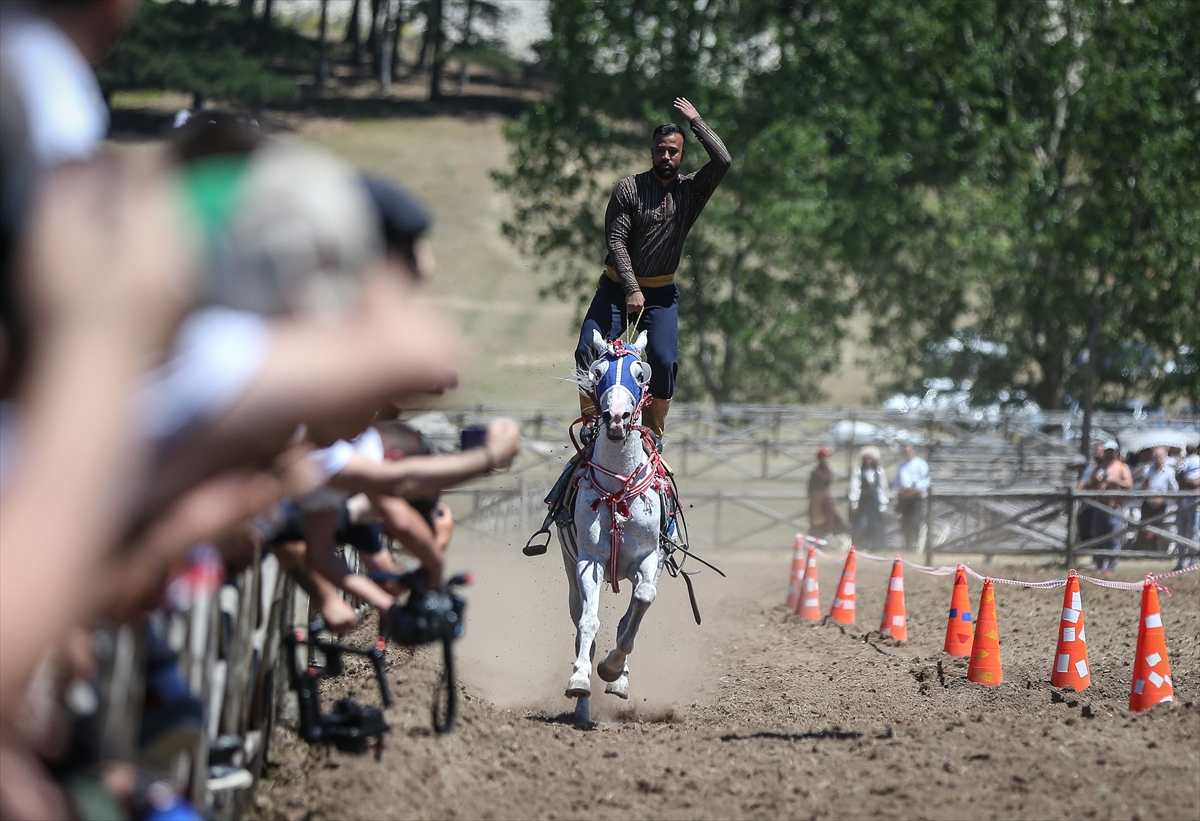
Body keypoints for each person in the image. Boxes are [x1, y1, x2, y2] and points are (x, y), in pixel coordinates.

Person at [574, 96, 731, 439]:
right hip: (617, 287)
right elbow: (615, 242)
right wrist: (631, 287)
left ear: (682, 155)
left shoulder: (690, 192)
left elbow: (723, 160)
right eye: (661, 149)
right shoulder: (628, 189)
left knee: (663, 361)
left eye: (673, 151)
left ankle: (652, 432)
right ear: (652, 150)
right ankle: (589, 425)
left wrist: (697, 122)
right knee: (587, 348)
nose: (666, 157)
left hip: (661, 295)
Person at [1085, 440, 1132, 574]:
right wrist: (1096, 481)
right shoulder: (1099, 467)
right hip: (1099, 507)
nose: (1110, 454)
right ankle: (1100, 565)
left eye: (1112, 451)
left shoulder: (1122, 467)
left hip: (1115, 508)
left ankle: (1111, 566)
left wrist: (1113, 480)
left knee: (1114, 537)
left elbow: (1129, 485)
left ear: (1116, 452)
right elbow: (1090, 484)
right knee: (1099, 537)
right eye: (1108, 451)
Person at [1136, 446, 1177, 552]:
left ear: (1164, 457)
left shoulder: (1169, 472)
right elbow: (1141, 487)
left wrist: (1162, 499)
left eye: (1160, 456)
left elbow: (1174, 490)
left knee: (1160, 529)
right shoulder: (1147, 469)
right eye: (1156, 456)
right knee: (1144, 528)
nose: (1158, 458)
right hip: (1147, 503)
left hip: (1161, 505)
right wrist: (1144, 485)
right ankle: (1144, 551)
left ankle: (1159, 551)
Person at [848, 447, 889, 552]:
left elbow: (883, 487)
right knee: (862, 524)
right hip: (863, 501)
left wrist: (883, 503)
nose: (868, 460)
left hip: (875, 501)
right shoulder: (859, 471)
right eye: (866, 457)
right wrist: (854, 503)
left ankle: (876, 546)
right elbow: (855, 487)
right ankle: (861, 545)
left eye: (870, 457)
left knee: (876, 524)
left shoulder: (879, 471)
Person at [892, 443, 930, 552]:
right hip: (904, 497)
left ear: (913, 450)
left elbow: (926, 481)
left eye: (909, 449)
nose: (907, 452)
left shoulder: (920, 464)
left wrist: (916, 486)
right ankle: (907, 545)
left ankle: (914, 544)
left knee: (915, 521)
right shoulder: (901, 466)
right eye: (905, 450)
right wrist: (897, 489)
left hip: (915, 497)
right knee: (905, 522)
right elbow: (897, 482)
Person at [808, 447, 847, 539]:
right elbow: (811, 489)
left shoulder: (828, 470)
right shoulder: (816, 472)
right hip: (817, 500)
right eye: (825, 457)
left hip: (826, 498)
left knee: (831, 517)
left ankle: (833, 533)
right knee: (818, 521)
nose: (827, 460)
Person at [1174, 444, 1199, 569]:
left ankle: (1192, 563)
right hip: (1183, 502)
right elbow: (1178, 477)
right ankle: (1181, 563)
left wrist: (1187, 483)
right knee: (1181, 534)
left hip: (1195, 503)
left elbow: (1195, 483)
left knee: (1193, 534)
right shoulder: (1184, 461)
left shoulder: (1190, 461)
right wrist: (1188, 483)